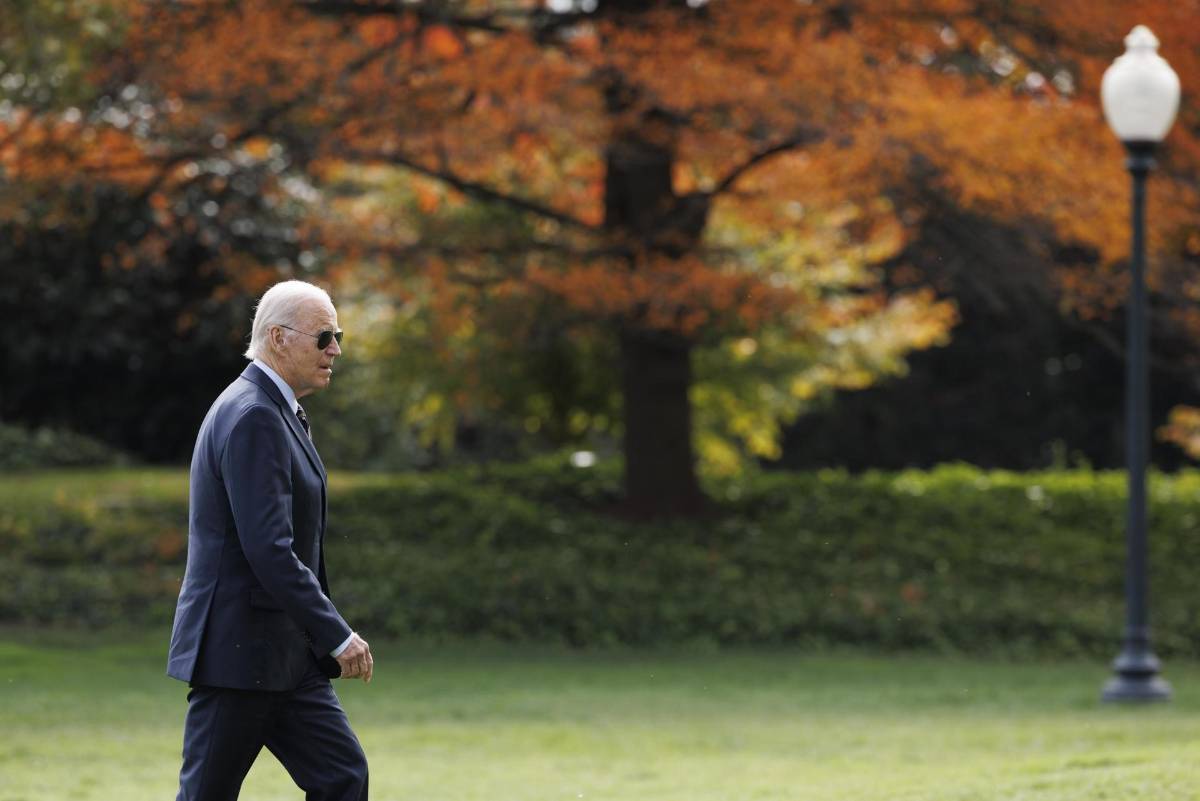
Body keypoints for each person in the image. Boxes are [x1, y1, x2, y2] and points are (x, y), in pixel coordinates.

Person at [167, 280, 372, 801]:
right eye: (324, 336)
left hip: (286, 657)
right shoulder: (255, 414)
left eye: (337, 335)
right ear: (279, 338)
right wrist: (337, 634)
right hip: (239, 655)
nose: (336, 349)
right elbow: (268, 548)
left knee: (342, 778)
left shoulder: (273, 410)